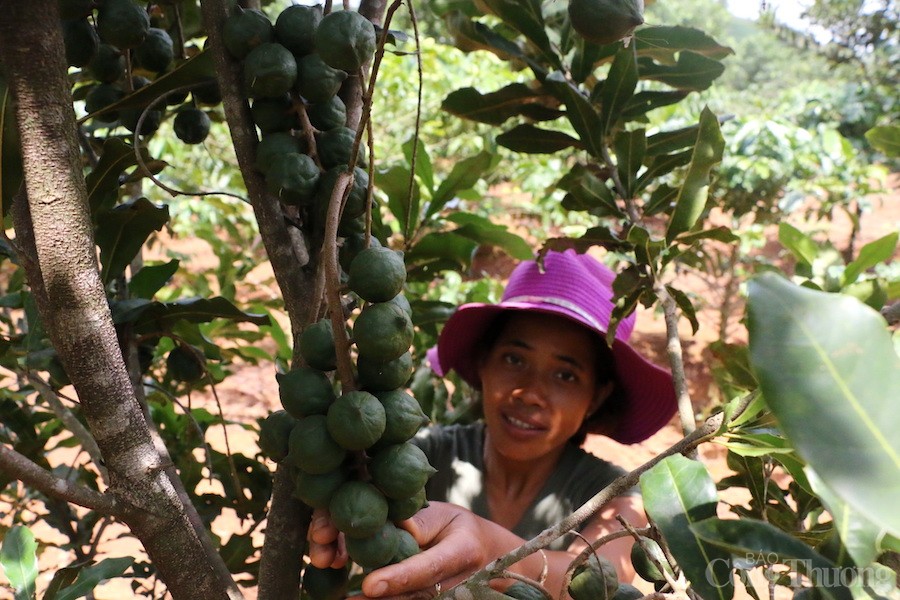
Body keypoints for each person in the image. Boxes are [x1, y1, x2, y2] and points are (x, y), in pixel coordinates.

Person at [308, 249, 678, 598]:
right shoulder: (418, 456)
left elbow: (597, 583)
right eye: (514, 359)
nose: (530, 393)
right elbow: (350, 495)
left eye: (565, 375)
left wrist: (490, 551)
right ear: (483, 362)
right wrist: (340, 498)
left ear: (596, 396)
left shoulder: (616, 500)